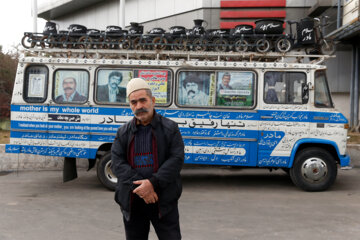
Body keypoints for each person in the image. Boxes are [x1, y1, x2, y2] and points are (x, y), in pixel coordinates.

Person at [111, 78, 184, 240]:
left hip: (163, 200)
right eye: (133, 102)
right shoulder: (122, 132)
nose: (139, 106)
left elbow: (176, 159)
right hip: (133, 200)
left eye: (143, 100)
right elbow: (117, 163)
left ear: (153, 101)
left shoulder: (170, 128)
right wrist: (143, 188)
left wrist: (152, 183)